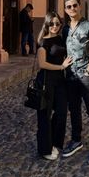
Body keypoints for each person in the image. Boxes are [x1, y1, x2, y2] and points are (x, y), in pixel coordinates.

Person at [62, 0, 89, 165]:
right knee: (74, 109)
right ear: (65, 10)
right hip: (71, 76)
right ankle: (76, 140)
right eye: (68, 7)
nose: (72, 9)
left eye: (74, 5)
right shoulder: (65, 29)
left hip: (85, 76)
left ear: (79, 7)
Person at [36, 11, 73, 161]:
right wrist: (61, 67)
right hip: (46, 81)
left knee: (61, 112)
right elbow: (42, 64)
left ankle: (55, 143)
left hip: (60, 82)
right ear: (46, 24)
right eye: (52, 23)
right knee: (45, 116)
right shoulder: (42, 42)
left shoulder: (60, 38)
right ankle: (45, 149)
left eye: (57, 23)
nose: (55, 26)